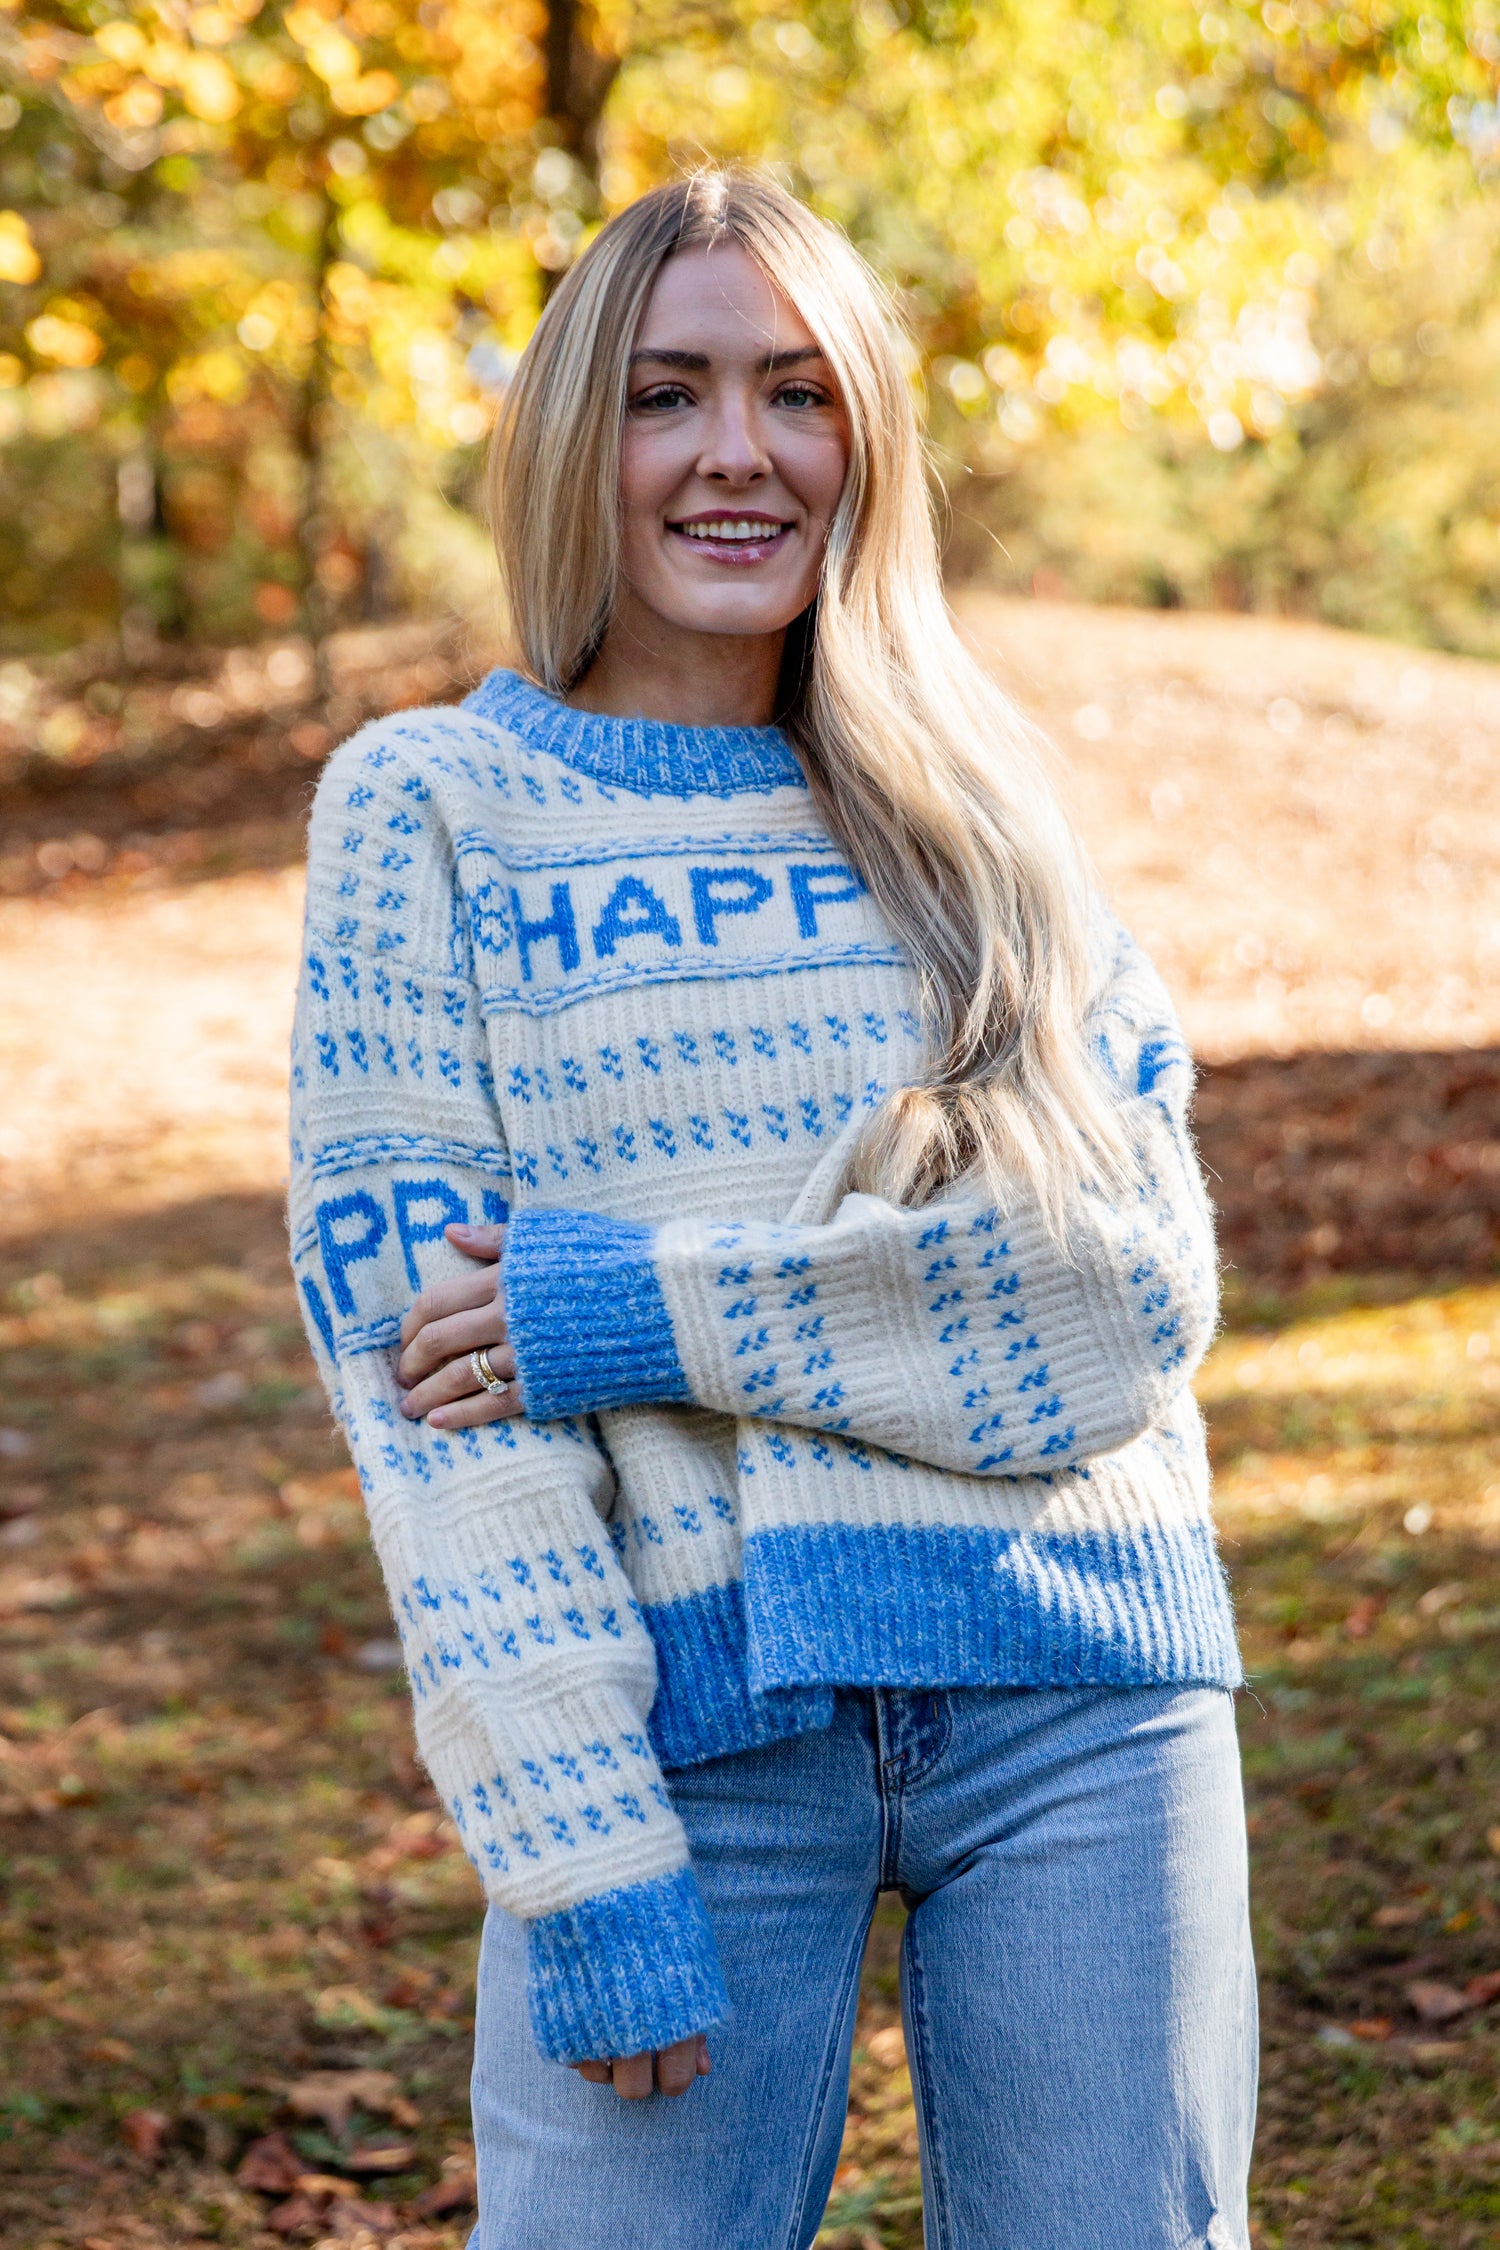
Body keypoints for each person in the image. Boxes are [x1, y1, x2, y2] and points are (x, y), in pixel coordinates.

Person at [288, 169, 1255, 2250]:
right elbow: (430, 1390)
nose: (739, 454)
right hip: (681, 1739)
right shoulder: (428, 812)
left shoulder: (984, 812)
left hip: (1086, 1693)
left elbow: (1120, 1296)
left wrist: (633, 1310)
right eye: (668, 394)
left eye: (798, 395)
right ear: (577, 440)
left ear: (865, 446)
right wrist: (573, 1840)